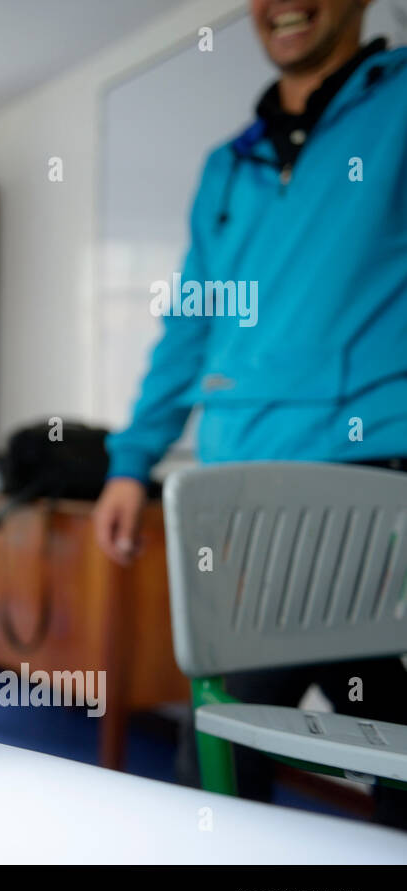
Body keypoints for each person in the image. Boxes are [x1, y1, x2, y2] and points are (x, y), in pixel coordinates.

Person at [93, 0, 407, 825]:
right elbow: (190, 323)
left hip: (370, 480)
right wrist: (132, 461)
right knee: (220, 761)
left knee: (394, 749)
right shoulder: (227, 165)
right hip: (238, 501)